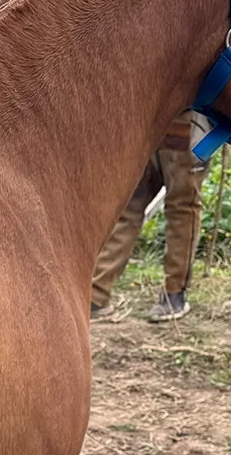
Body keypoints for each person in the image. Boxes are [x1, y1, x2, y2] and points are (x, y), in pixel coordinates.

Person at [90, 112, 211, 323]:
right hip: (186, 131)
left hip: (146, 129)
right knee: (183, 210)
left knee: (127, 211)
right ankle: (173, 296)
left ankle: (95, 296)